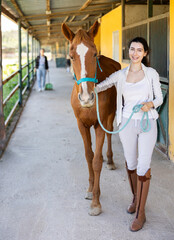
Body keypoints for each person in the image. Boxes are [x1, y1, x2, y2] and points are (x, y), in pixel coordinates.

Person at [95, 37, 163, 232]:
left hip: (147, 122)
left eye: (139, 50)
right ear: (129, 51)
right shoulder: (121, 74)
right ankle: (135, 198)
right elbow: (102, 85)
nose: (135, 53)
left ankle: (140, 213)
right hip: (126, 123)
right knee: (131, 164)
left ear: (145, 53)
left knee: (143, 166)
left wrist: (149, 104)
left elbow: (159, 98)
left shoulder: (151, 74)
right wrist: (87, 87)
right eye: (132, 49)